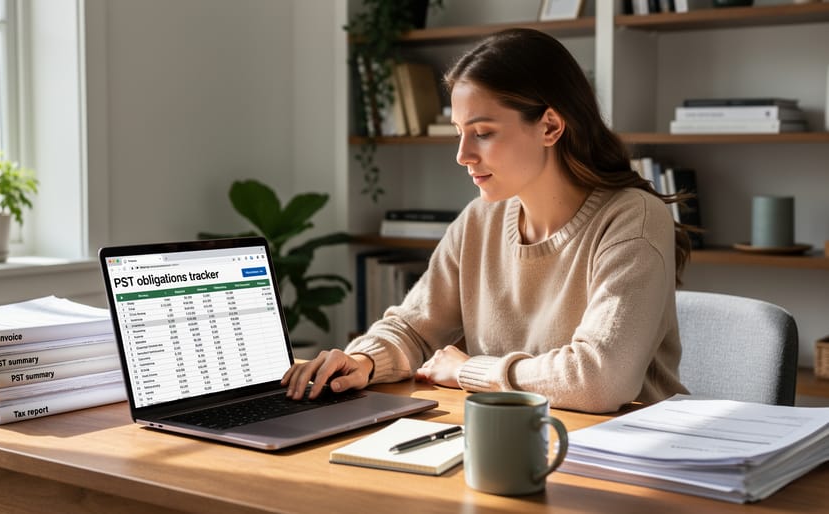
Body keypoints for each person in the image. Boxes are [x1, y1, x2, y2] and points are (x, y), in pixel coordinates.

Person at [282, 28, 693, 413]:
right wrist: (362, 360)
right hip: (517, 438)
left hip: (631, 456)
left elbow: (601, 379)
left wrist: (469, 371)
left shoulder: (633, 219)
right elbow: (413, 327)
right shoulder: (481, 219)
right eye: (459, 131)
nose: (462, 155)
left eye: (482, 132)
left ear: (550, 126)